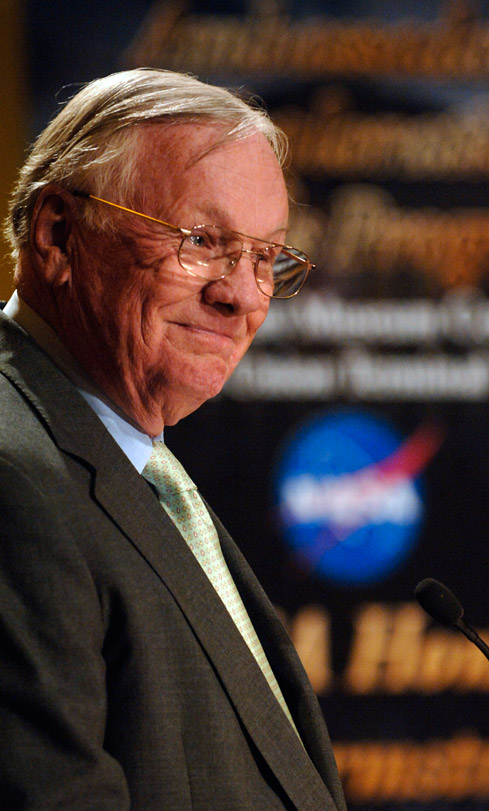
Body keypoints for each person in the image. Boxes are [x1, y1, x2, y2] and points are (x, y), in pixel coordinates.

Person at [0, 68, 346, 810]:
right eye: (201, 240)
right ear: (59, 234)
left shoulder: (130, 461)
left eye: (265, 257)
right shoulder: (13, 475)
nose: (242, 295)